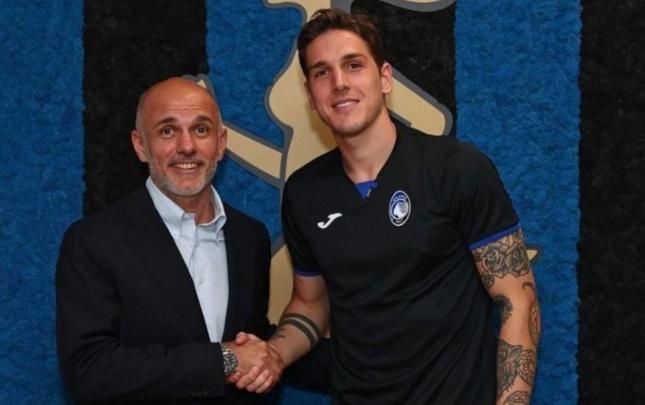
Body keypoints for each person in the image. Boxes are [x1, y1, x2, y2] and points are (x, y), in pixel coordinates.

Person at [233, 8, 541, 405]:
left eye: (354, 65)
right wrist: (274, 354)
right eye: (322, 72)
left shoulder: (456, 168)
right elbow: (310, 303)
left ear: (385, 78)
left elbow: (518, 299)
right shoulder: (304, 192)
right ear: (311, 96)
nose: (339, 83)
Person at [56, 76, 286, 404]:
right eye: (167, 131)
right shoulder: (93, 241)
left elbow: (251, 342)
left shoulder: (250, 237)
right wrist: (224, 360)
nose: (187, 146)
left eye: (201, 129)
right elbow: (88, 369)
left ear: (221, 143)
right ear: (140, 145)